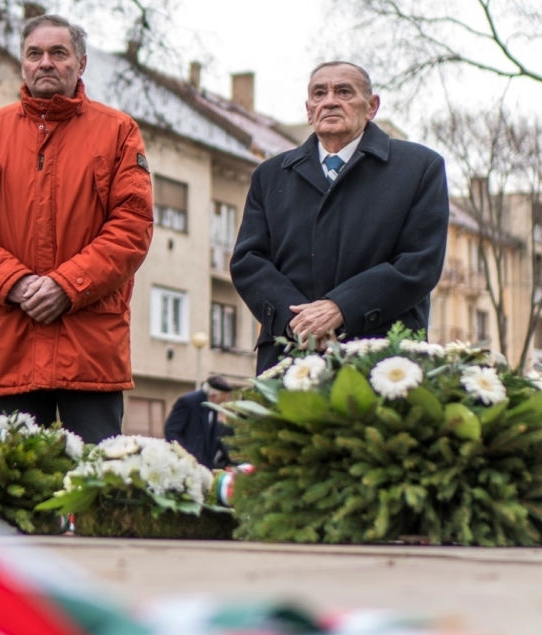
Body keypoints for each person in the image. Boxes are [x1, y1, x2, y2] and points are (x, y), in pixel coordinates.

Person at [0, 14, 154, 444]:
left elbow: (132, 226)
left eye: (59, 53)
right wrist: (14, 283)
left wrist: (66, 286)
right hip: (8, 345)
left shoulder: (118, 132)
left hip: (88, 348)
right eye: (34, 54)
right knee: (15, 493)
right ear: (22, 64)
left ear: (81, 63)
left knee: (95, 485)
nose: (46, 63)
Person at [230, 61, 449, 373]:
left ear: (372, 106)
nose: (329, 101)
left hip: (386, 358)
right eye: (319, 94)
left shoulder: (419, 168)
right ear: (309, 110)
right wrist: (299, 322)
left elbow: (419, 262)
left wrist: (342, 307)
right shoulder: (270, 175)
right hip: (289, 355)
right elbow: (249, 262)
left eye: (344, 92)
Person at [164, 376, 237, 468]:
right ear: (214, 395)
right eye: (223, 397)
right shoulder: (188, 402)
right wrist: (185, 454)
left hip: (204, 466)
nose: (224, 401)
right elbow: (171, 431)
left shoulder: (213, 407)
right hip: (185, 464)